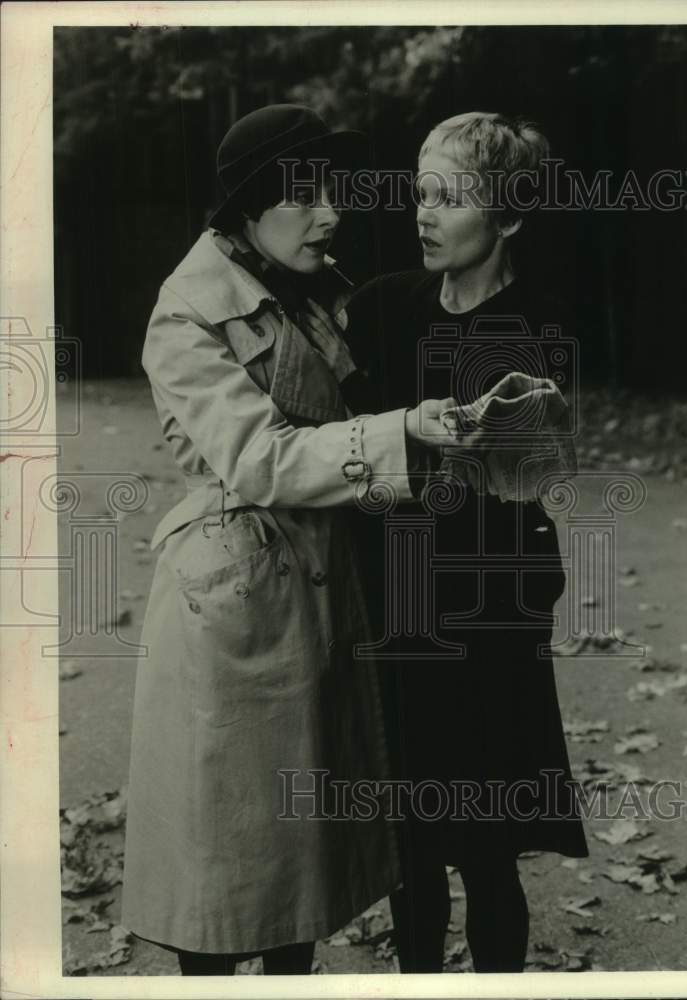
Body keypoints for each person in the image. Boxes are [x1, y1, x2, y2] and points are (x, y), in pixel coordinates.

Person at [120, 104, 462, 977]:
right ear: (247, 205)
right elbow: (258, 460)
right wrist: (405, 433)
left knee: (295, 868)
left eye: (331, 191)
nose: (329, 212)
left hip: (320, 584)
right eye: (303, 195)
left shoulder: (309, 289)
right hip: (233, 605)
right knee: (226, 863)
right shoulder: (188, 311)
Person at [303, 111, 588, 973]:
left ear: (506, 217)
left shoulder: (538, 325)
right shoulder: (383, 306)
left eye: (450, 197)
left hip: (491, 613)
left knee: (488, 847)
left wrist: (506, 442)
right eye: (421, 194)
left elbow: (541, 467)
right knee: (411, 851)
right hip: (394, 604)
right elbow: (339, 439)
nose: (424, 214)